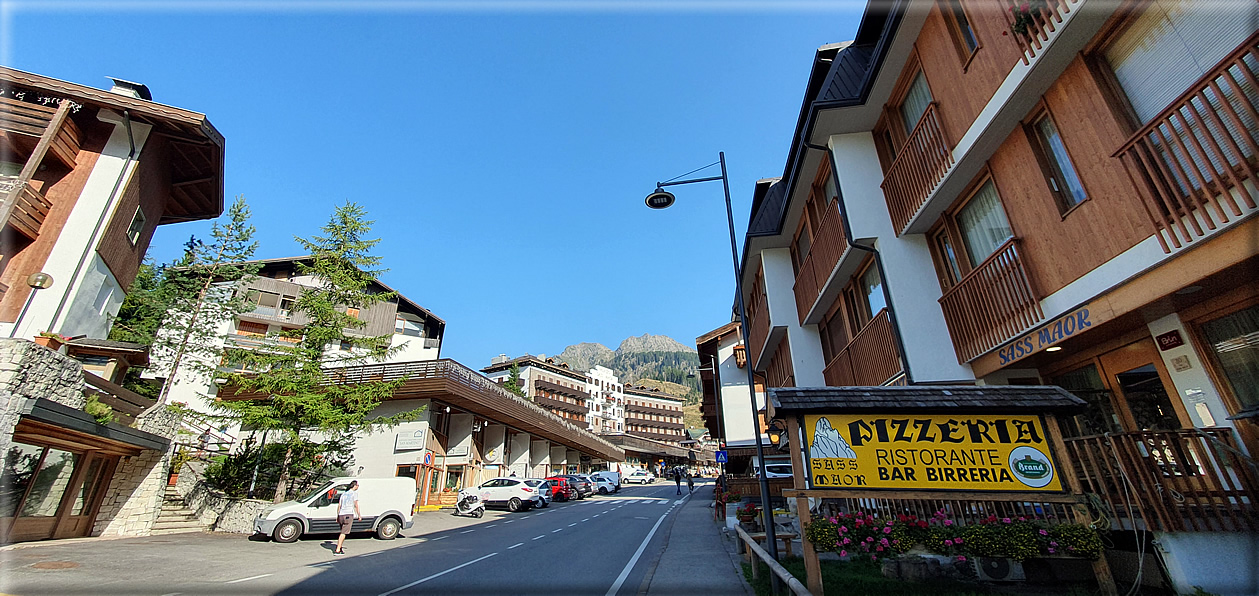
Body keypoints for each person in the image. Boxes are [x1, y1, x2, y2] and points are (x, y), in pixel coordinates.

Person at [333, 480, 361, 556]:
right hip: (348, 514)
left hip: (341, 514)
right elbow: (356, 505)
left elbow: (339, 505)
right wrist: (359, 515)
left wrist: (338, 516)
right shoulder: (354, 494)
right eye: (357, 485)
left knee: (342, 531)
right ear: (354, 486)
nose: (358, 486)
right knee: (343, 533)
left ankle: (340, 546)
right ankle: (338, 550)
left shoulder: (344, 494)